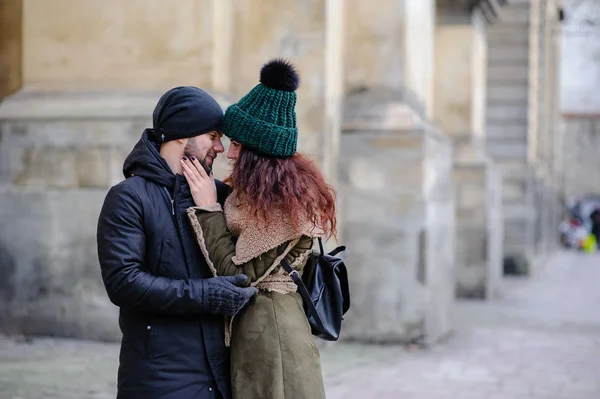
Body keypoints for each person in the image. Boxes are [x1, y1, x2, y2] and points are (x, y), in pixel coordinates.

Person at [184, 59, 335, 399]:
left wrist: (208, 209)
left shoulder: (286, 210)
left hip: (274, 338)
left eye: (237, 144)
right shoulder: (256, 196)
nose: (229, 152)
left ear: (258, 154)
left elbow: (237, 273)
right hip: (258, 330)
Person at [96, 86, 258, 399]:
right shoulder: (129, 198)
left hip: (222, 377)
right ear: (183, 134)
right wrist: (207, 296)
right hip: (159, 379)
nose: (220, 148)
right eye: (213, 135)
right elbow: (123, 282)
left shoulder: (220, 198)